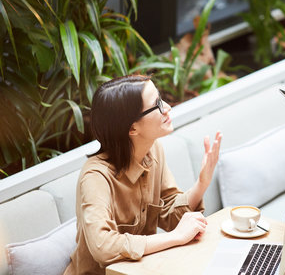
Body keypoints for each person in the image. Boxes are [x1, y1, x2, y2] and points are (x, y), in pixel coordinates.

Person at [64, 75, 222, 274]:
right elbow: (103, 247)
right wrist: (175, 237)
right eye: (156, 104)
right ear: (132, 128)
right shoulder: (96, 177)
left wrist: (202, 183)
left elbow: (170, 216)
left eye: (161, 99)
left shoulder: (153, 150)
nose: (167, 108)